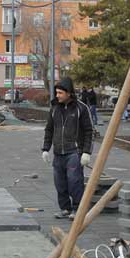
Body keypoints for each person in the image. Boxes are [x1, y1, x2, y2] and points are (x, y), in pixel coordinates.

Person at [42, 77, 93, 219]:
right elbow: (49, 130)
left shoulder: (81, 108)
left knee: (74, 181)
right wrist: (46, 149)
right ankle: (65, 208)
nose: (57, 96)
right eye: (56, 93)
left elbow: (89, 131)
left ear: (69, 93)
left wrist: (86, 152)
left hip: (74, 152)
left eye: (60, 93)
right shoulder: (54, 108)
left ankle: (78, 209)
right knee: (60, 182)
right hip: (58, 152)